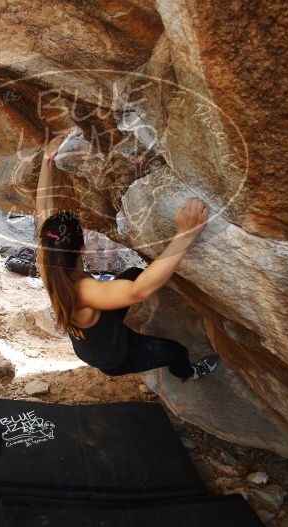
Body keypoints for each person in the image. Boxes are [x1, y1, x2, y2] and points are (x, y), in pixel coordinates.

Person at [35, 134, 219, 381]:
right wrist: (185, 235)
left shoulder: (47, 261)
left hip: (92, 338)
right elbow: (139, 292)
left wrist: (48, 161)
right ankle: (187, 373)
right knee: (175, 351)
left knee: (133, 273)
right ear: (81, 250)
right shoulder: (85, 291)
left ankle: (118, 326)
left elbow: (43, 212)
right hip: (112, 356)